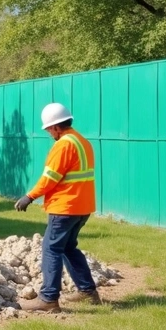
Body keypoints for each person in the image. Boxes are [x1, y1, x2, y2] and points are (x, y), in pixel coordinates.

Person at [15, 102, 101, 312]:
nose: (48, 133)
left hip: (65, 207)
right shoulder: (83, 141)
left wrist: (30, 196)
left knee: (51, 248)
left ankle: (48, 299)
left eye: (48, 129)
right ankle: (88, 291)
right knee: (68, 248)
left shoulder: (63, 145)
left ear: (55, 127)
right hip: (83, 206)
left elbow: (50, 178)